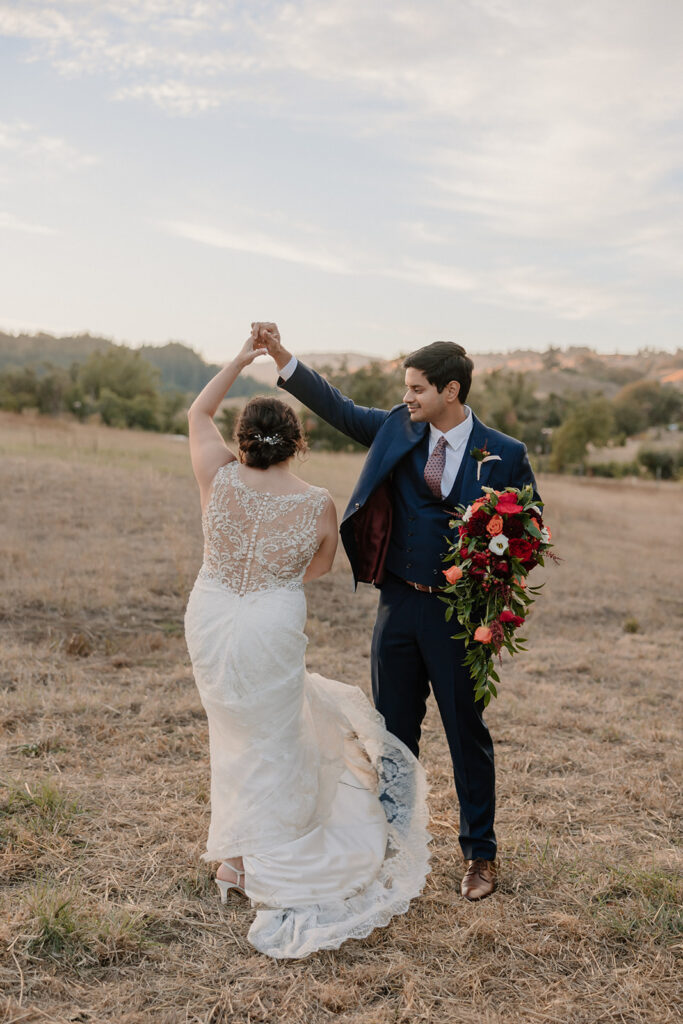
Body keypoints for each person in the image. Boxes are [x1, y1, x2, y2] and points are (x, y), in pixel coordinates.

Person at [255, 323, 540, 902]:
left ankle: (480, 854)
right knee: (392, 736)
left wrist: (495, 584)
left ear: (451, 391)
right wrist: (284, 359)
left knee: (466, 734)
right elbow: (336, 407)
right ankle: (391, 845)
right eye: (406, 388)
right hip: (398, 606)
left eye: (416, 388)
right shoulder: (396, 427)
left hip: (460, 619)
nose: (406, 397)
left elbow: (530, 532)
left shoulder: (505, 454)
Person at [183, 329, 431, 960]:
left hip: (211, 618)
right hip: (269, 621)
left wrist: (240, 359)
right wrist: (272, 578)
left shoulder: (217, 474)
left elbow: (196, 411)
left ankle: (235, 858)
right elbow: (319, 567)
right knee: (272, 739)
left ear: (241, 441)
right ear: (299, 444)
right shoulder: (318, 504)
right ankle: (257, 857)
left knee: (231, 733)